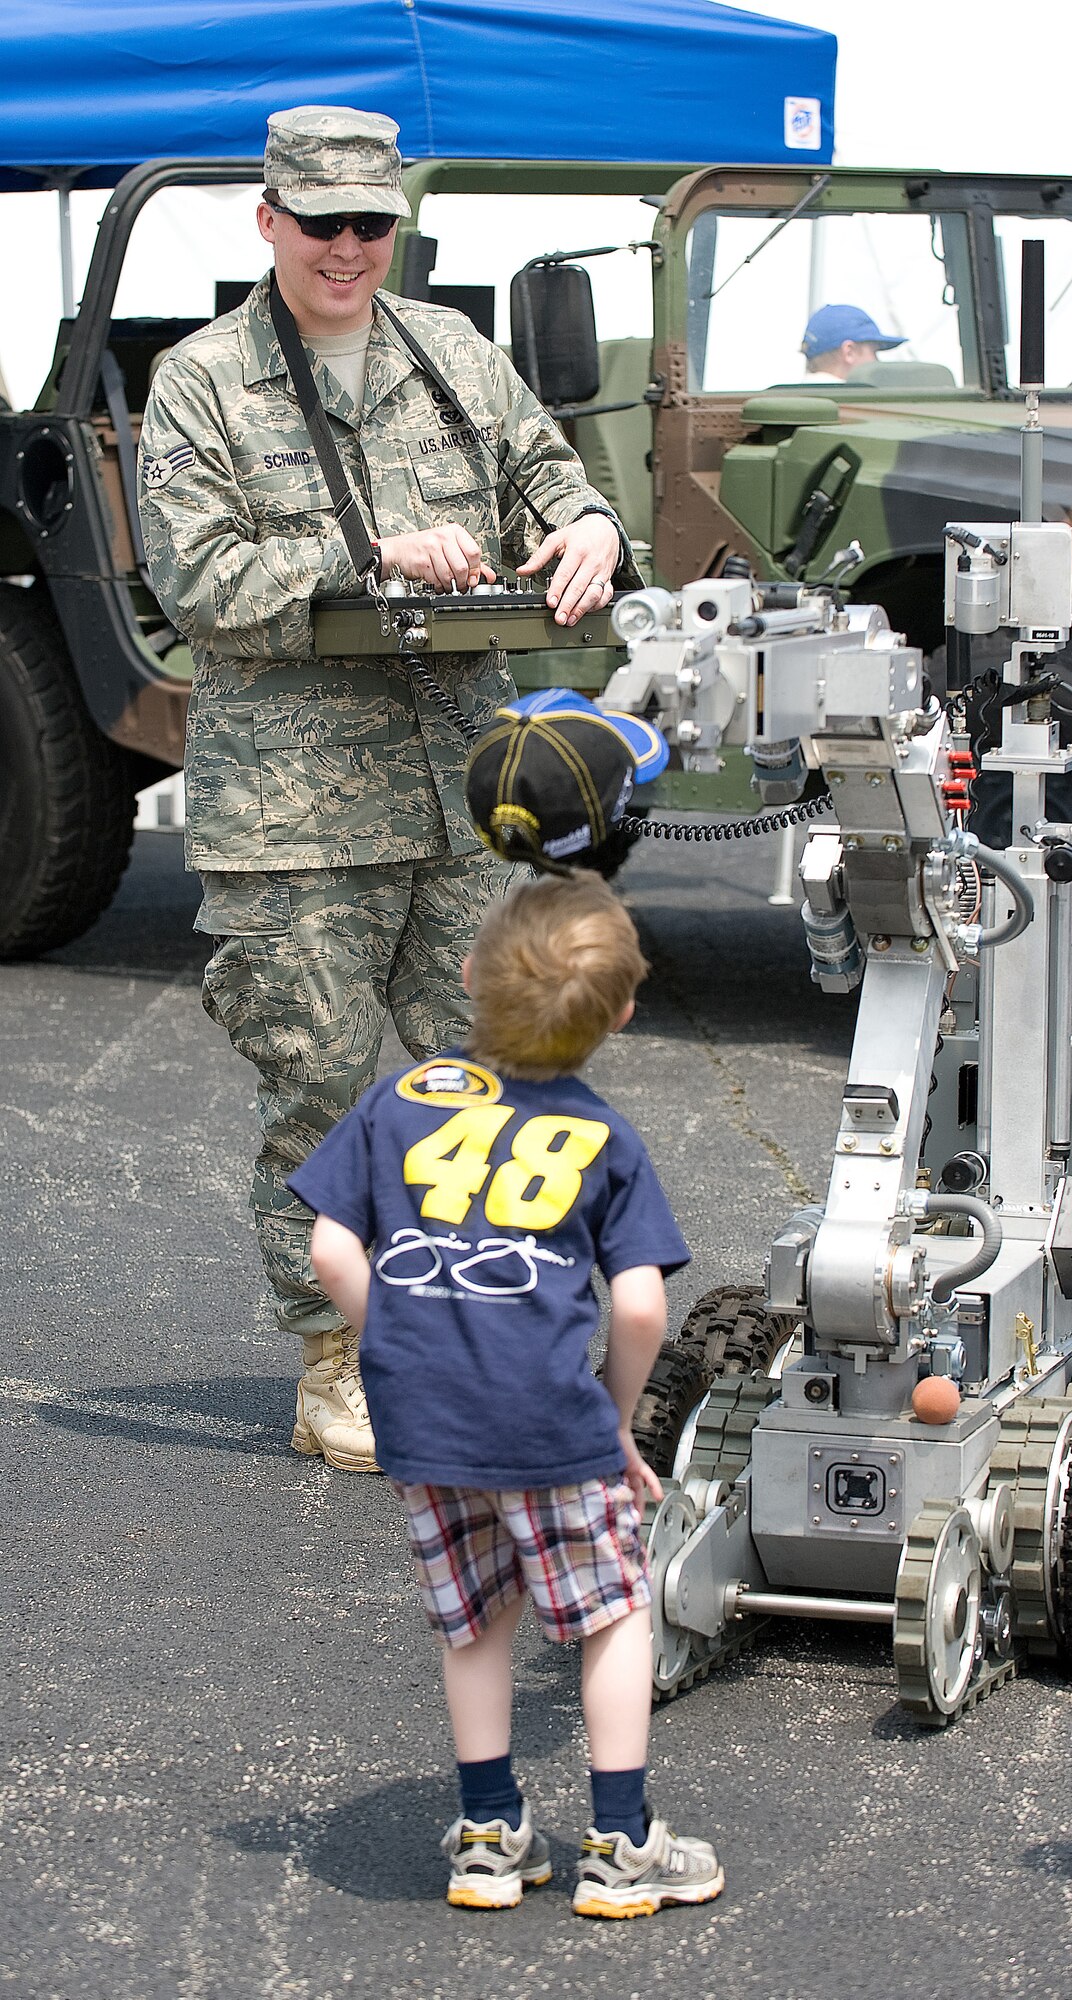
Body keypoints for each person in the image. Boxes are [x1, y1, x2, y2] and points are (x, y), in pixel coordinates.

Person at [138, 106, 635, 1472]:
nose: (348, 250)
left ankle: (476, 1341)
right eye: (322, 225)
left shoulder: (453, 354)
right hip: (294, 814)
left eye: (372, 225)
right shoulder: (203, 380)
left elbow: (549, 472)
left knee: (490, 1081)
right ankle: (333, 1361)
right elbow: (195, 583)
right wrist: (361, 561)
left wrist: (587, 526)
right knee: (319, 1092)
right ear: (268, 223)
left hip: (466, 792)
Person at [285, 789, 724, 1918]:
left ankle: (488, 1832)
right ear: (620, 1015)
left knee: (476, 1618)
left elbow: (333, 1242)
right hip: (549, 1421)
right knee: (615, 1610)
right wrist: (615, 1419)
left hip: (425, 1421)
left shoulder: (403, 1100)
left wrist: (397, 1336)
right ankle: (620, 1843)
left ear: (470, 979)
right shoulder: (603, 1137)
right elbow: (638, 1308)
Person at [800, 302, 906, 381]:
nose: (877, 361)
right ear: (849, 352)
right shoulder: (860, 408)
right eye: (874, 352)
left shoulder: (789, 401)